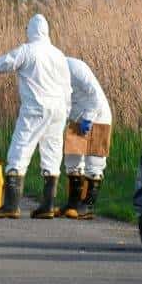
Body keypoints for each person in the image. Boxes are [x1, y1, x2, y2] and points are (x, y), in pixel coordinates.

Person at [0, 14, 72, 219]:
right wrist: (66, 112)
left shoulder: (27, 50)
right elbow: (67, 88)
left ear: (30, 30)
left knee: (19, 151)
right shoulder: (59, 54)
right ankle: (48, 206)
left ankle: (11, 206)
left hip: (35, 109)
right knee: (52, 155)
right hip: (58, 110)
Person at [56, 57, 113, 219]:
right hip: (76, 118)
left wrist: (88, 117)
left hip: (98, 116)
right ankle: (72, 204)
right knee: (72, 161)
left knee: (94, 163)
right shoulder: (51, 71)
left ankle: (87, 206)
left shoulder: (76, 67)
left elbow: (94, 94)